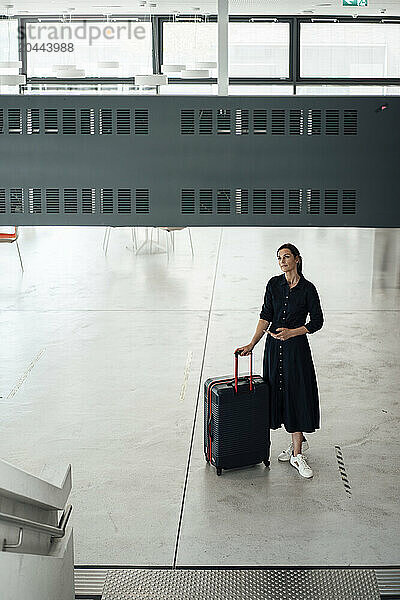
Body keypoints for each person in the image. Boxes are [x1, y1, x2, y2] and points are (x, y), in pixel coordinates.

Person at [236, 243, 323, 479]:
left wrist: (292, 332)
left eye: (286, 257)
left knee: (295, 395)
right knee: (280, 394)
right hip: (274, 349)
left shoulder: (308, 289)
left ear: (297, 259)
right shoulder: (273, 284)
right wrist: (252, 343)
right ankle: (298, 442)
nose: (282, 261)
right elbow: (266, 316)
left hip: (296, 351)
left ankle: (297, 454)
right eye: (279, 258)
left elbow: (317, 321)